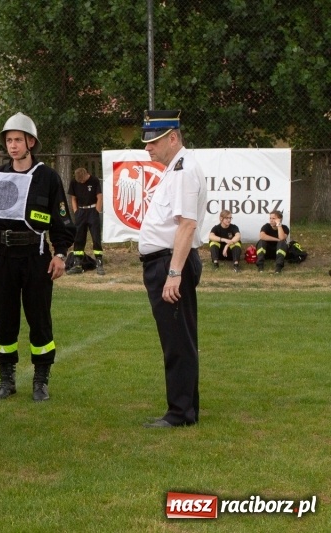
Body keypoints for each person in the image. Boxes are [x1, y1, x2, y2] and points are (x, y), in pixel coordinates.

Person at [0, 113, 75, 402]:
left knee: (39, 317)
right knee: (4, 317)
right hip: (2, 256)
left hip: (36, 256)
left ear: (31, 142)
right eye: (9, 140)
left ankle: (41, 380)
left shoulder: (48, 178)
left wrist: (60, 254)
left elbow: (61, 220)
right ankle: (6, 379)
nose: (13, 146)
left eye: (18, 140)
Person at [138, 109, 207, 429]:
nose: (148, 147)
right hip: (166, 260)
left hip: (169, 261)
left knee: (176, 340)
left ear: (173, 138)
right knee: (179, 338)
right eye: (146, 141)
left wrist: (174, 273)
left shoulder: (182, 169)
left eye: (154, 141)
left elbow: (187, 225)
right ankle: (186, 407)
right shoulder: (175, 168)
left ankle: (180, 413)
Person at [66, 167, 105, 275]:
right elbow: (73, 198)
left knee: (96, 237)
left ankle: (99, 262)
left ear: (86, 174)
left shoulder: (94, 180)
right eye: (80, 181)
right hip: (81, 212)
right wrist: (76, 211)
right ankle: (77, 263)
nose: (81, 182)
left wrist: (96, 211)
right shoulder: (74, 182)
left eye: (83, 180)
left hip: (92, 211)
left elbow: (99, 197)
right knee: (79, 238)